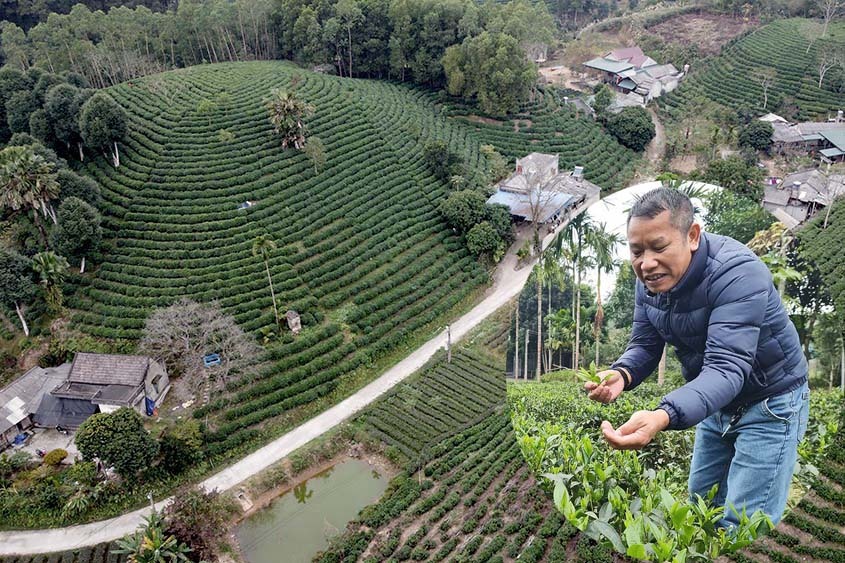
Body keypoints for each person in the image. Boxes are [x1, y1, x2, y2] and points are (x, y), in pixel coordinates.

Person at [584, 187, 809, 529]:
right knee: (702, 508)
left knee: (743, 524)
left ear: (692, 235)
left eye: (659, 247)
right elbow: (645, 343)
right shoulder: (649, 281)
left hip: (771, 402)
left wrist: (663, 414)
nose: (646, 263)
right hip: (715, 402)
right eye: (637, 251)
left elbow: (726, 367)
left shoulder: (738, 273)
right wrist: (622, 374)